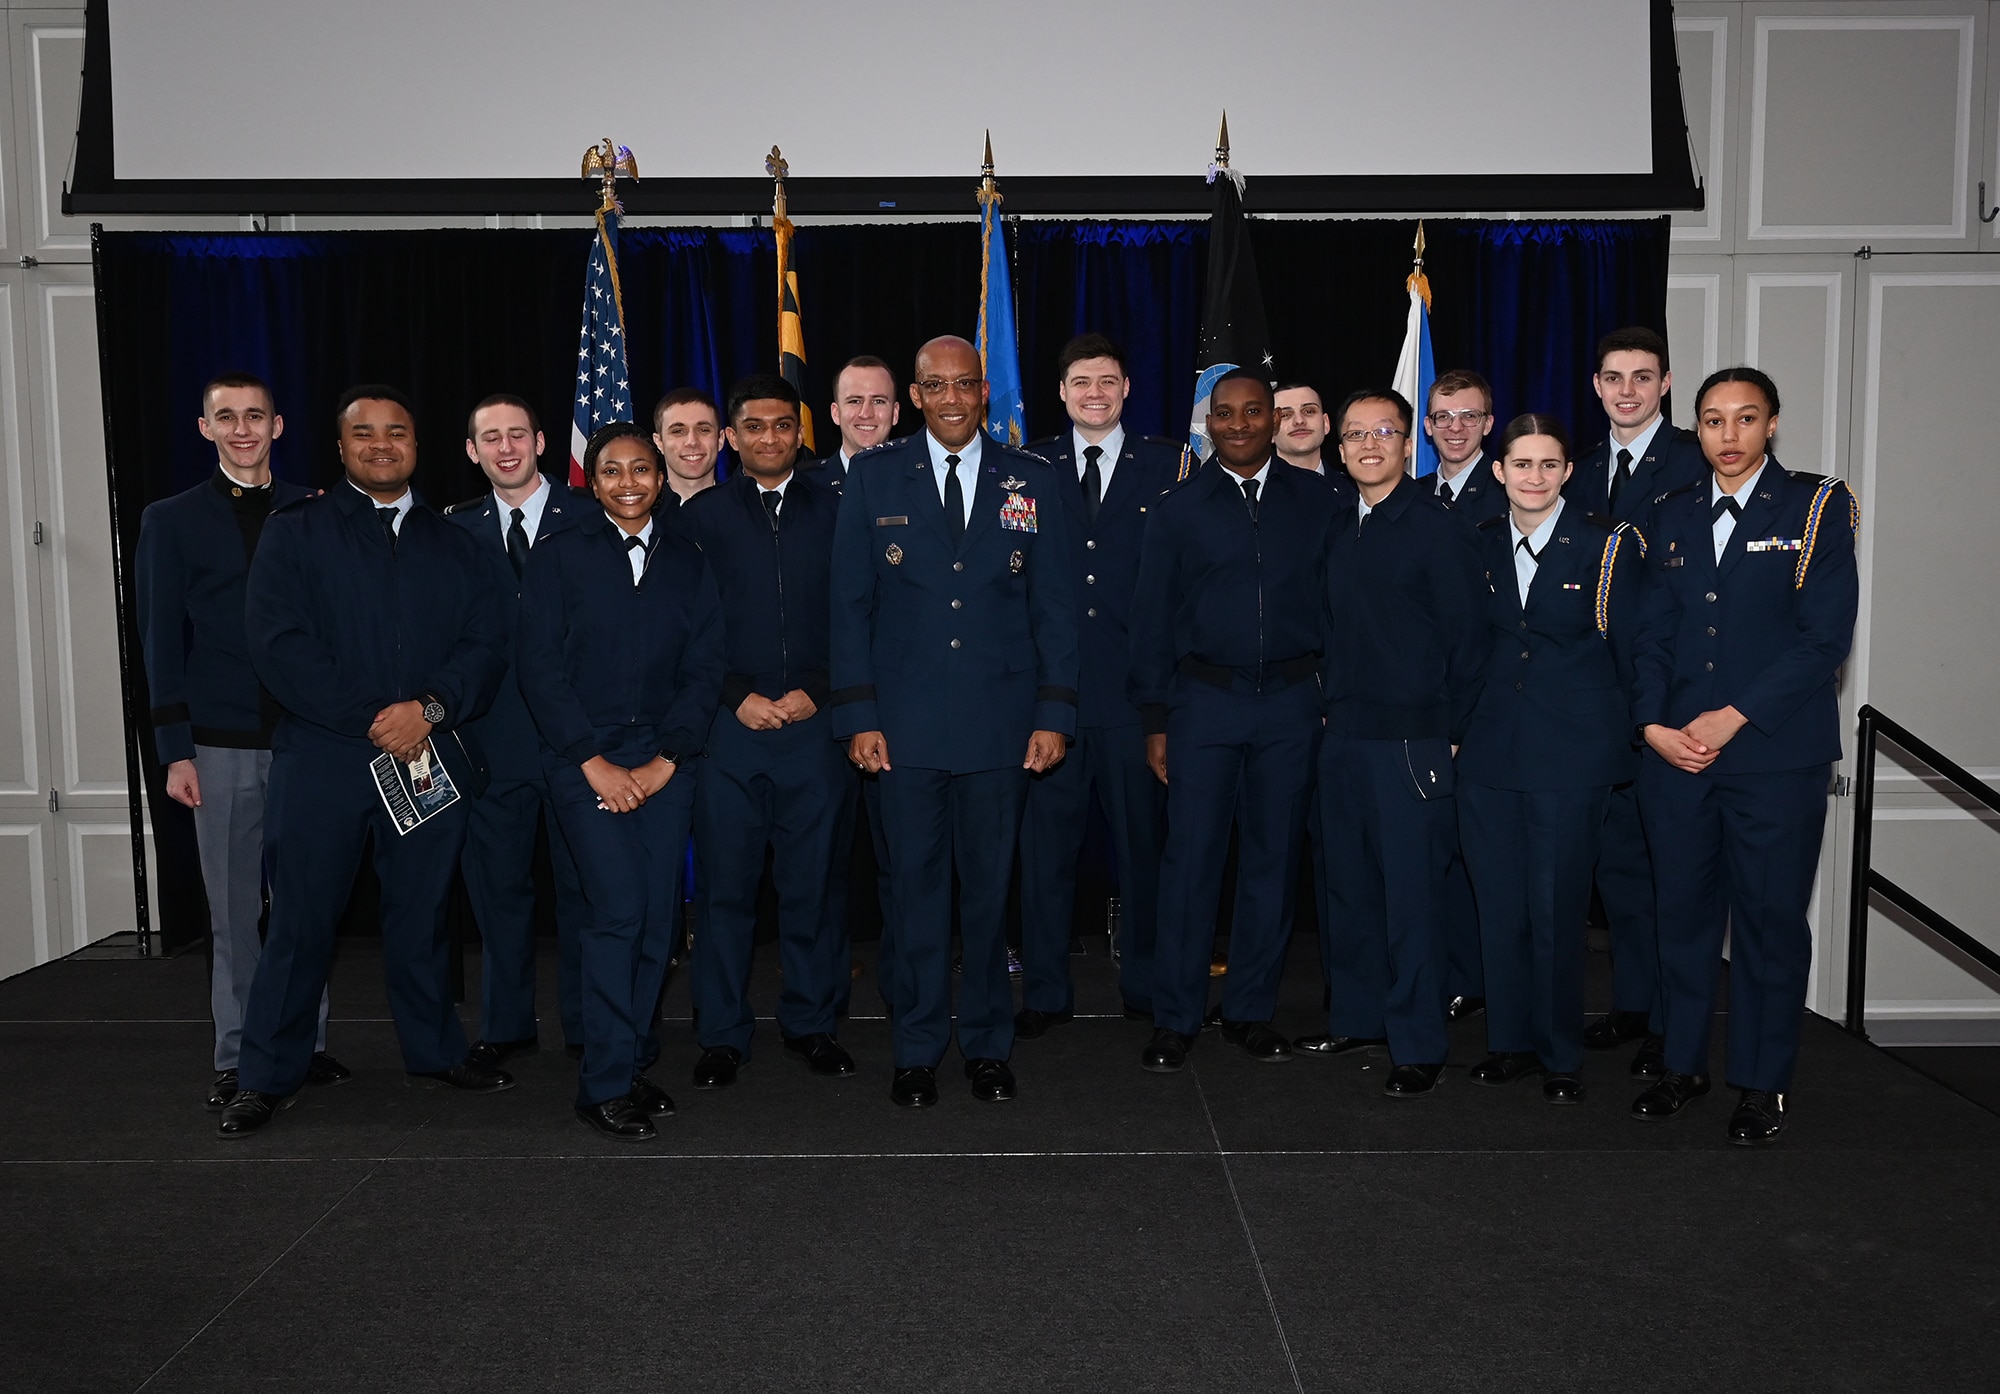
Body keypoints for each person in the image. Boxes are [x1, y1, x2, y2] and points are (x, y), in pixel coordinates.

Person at [221, 385, 511, 1138]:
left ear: (419, 445)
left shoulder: (460, 544)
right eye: (365, 434)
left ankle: (434, 1051)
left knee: (421, 916)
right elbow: (278, 642)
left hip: (428, 753)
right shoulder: (297, 532)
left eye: (399, 432)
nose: (383, 445)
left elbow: (486, 644)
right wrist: (371, 718)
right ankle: (266, 1075)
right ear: (342, 447)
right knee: (301, 923)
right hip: (323, 757)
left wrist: (430, 710)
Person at [829, 334, 1077, 1107]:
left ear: (983, 392)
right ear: (916, 394)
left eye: (964, 385)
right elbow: (849, 609)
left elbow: (1057, 609)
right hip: (901, 731)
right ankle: (915, 1049)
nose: (951, 399)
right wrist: (859, 717)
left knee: (987, 894)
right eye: (935, 387)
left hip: (1003, 727)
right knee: (916, 894)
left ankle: (988, 1048)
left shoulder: (1032, 479)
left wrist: (1054, 712)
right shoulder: (873, 480)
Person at [1628, 367, 1857, 1146]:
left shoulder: (1815, 507)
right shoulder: (1672, 514)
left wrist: (1734, 716)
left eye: (1745, 419)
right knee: (1682, 918)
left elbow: (1823, 639)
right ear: (1696, 429)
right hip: (1677, 757)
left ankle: (1762, 1083)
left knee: (1767, 923)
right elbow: (1651, 636)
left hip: (1773, 758)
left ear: (1772, 425)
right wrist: (1652, 726)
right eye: (1714, 421)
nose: (1728, 436)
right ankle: (1683, 1065)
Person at [135, 372, 347, 1114]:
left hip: (307, 739)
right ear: (204, 429)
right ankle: (236, 1055)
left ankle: (304, 1043)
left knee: (305, 904)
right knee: (232, 911)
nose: (242, 428)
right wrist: (173, 750)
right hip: (218, 743)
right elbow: (159, 639)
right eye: (226, 417)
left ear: (279, 426)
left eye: (254, 415)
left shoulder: (318, 511)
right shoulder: (171, 519)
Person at [517, 422, 725, 1141]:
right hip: (584, 761)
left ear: (662, 478)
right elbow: (538, 669)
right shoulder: (558, 559)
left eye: (642, 470)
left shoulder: (691, 562)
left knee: (658, 923)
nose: (629, 483)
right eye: (613, 472)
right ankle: (602, 1084)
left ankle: (632, 1060)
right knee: (618, 913)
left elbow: (706, 669)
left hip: (668, 761)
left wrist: (668, 759)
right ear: (592, 481)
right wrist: (593, 761)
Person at [1129, 368, 1340, 1073]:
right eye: (1228, 413)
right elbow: (1151, 621)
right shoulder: (1177, 509)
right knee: (1190, 863)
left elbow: (1340, 609)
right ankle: (1176, 1017)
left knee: (1273, 862)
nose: (1242, 423)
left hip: (1289, 702)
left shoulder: (1320, 502)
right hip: (1203, 704)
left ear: (1276, 421)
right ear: (1209, 423)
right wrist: (1156, 718)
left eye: (1256, 412)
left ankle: (1250, 1009)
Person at [1456, 414, 1644, 1104]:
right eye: (1521, 464)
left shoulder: (1607, 545)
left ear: (1569, 472)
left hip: (1573, 755)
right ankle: (1509, 1043)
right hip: (1488, 752)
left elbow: (1633, 653)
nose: (1534, 477)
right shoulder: (1473, 545)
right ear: (1498, 471)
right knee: (1499, 907)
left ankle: (1561, 1053)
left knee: (1559, 910)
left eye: (1548, 464)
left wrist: (1634, 736)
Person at [678, 375, 855, 1089]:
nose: (770, 438)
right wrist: (734, 697)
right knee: (725, 891)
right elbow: (682, 633)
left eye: (783, 425)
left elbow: (864, 614)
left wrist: (818, 690)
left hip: (816, 730)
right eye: (753, 426)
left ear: (799, 431)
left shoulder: (839, 509)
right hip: (730, 732)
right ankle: (721, 1034)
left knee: (813, 887)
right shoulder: (697, 519)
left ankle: (812, 1023)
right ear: (731, 437)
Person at [1313, 388, 1487, 1097]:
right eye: (1355, 434)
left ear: (1406, 443)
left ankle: (1418, 1042)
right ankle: (1359, 1017)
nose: (1368, 444)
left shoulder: (1436, 527)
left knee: (1412, 898)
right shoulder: (1339, 526)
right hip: (1344, 737)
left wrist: (1450, 735)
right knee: (1347, 890)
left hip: (1412, 744)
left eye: (1383, 431)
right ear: (1339, 447)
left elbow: (1471, 642)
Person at [1017, 334, 1181, 1034]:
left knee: (1143, 853)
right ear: (1061, 391)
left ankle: (1145, 984)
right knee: (1044, 855)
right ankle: (1046, 993)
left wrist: (1163, 706)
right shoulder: (1026, 468)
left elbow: (1181, 589)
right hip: (1049, 697)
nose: (1095, 393)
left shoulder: (1170, 464)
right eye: (1081, 381)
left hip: (1132, 698)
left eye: (1107, 381)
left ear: (1126, 389)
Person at [1565, 325, 1708, 1078]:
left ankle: (1670, 1025)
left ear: (1666, 384)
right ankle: (1631, 1004)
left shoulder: (1694, 461)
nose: (1627, 390)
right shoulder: (1580, 471)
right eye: (1613, 377)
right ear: (1596, 386)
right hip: (1601, 700)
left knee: (1673, 874)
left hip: (1673, 698)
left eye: (1642, 377)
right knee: (1619, 867)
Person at [442, 394, 589, 1065]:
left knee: (588, 895)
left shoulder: (591, 518)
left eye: (517, 435)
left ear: (541, 441)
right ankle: (505, 1026)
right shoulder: (451, 532)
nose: (506, 448)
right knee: (498, 895)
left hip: (580, 745)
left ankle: (591, 1026)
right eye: (490, 438)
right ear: (473, 452)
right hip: (489, 747)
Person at [1423, 369, 1505, 524]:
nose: (1455, 427)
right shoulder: (1411, 495)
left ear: (1487, 425)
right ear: (1428, 425)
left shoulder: (1508, 495)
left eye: (1469, 416)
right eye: (1443, 416)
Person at [814, 355, 902, 487]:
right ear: (836, 413)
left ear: (895, 413)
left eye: (878, 401)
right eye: (855, 401)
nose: (865, 414)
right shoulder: (806, 488)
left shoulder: (922, 484)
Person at [652, 387, 723, 504]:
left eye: (703, 430)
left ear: (720, 439)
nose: (692, 442)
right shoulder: (641, 516)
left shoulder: (747, 513)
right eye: (678, 431)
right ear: (659, 442)